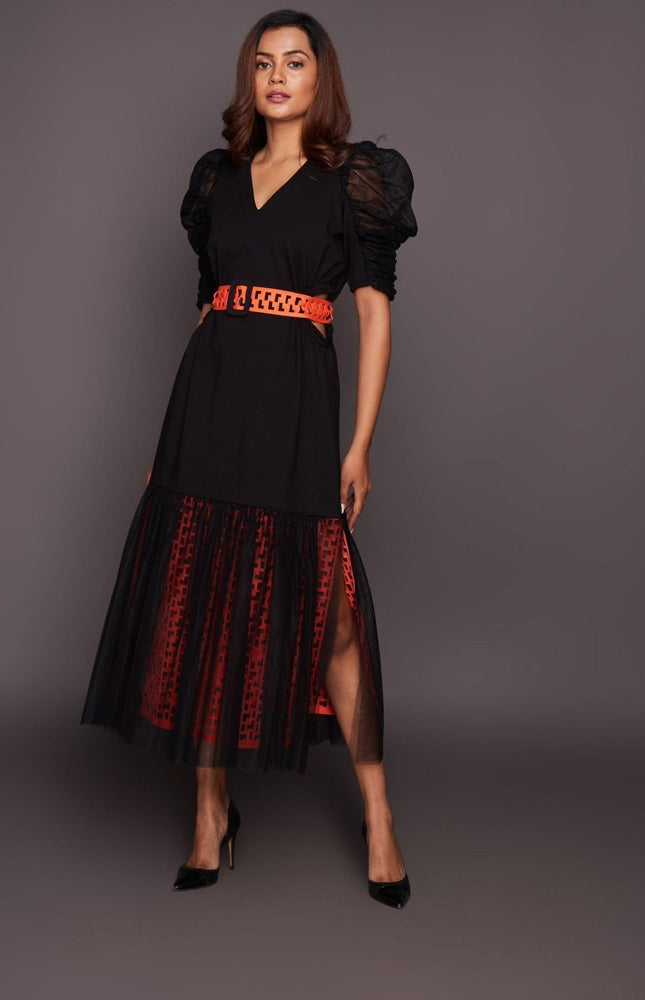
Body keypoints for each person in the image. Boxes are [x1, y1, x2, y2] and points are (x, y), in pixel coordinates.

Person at [80, 8, 418, 909]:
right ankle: (209, 812)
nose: (276, 76)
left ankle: (379, 815)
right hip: (207, 406)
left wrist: (360, 445)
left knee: (333, 619)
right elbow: (208, 310)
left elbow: (374, 314)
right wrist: (167, 438)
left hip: (297, 411)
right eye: (263, 63)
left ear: (320, 78)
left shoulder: (355, 180)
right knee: (201, 603)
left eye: (294, 62)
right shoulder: (217, 179)